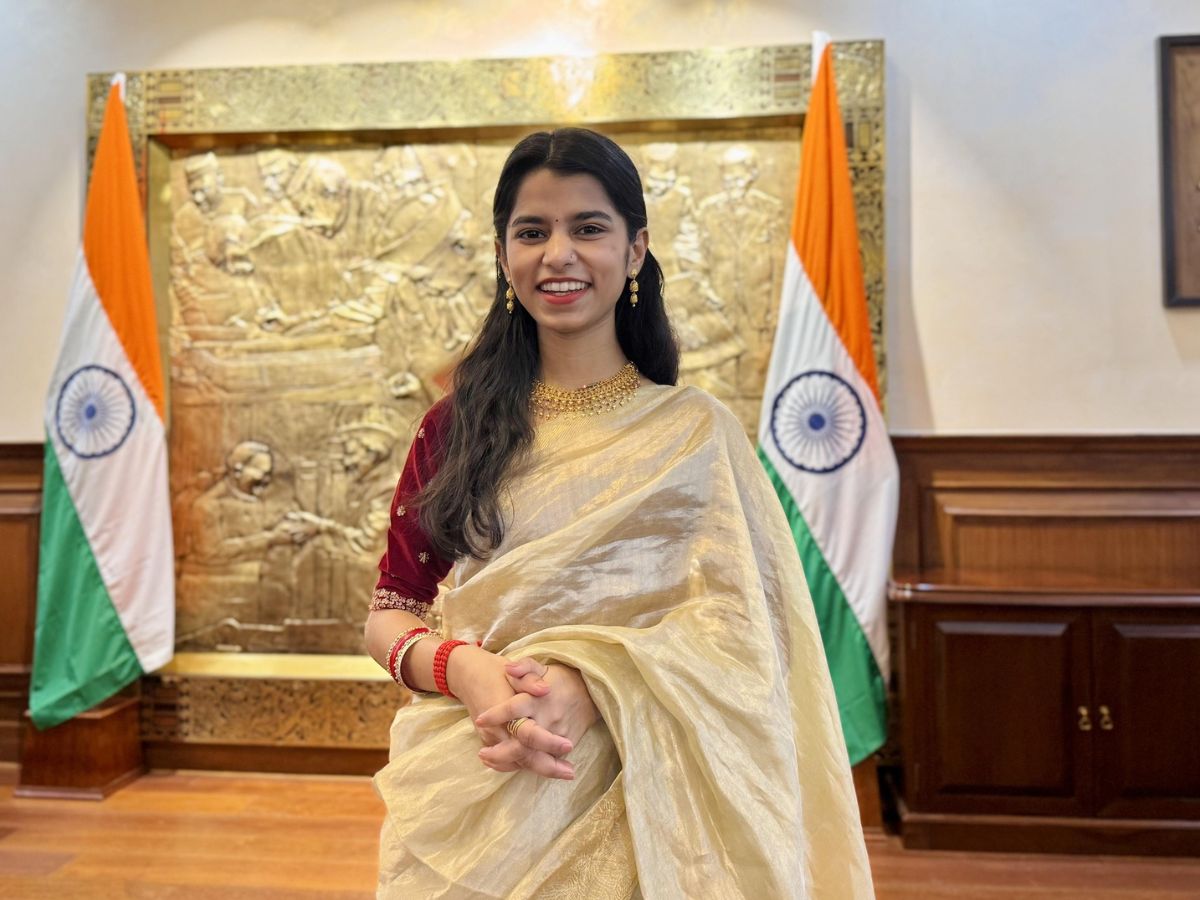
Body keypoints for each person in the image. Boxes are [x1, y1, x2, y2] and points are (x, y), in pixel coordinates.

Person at [363, 128, 874, 898]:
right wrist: (465, 670)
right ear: (502, 255)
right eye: (531, 232)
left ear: (635, 250)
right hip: (478, 784)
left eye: (588, 227)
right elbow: (391, 612)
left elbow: (753, 635)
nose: (557, 254)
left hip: (658, 799)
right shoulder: (455, 428)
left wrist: (597, 682)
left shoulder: (697, 434)